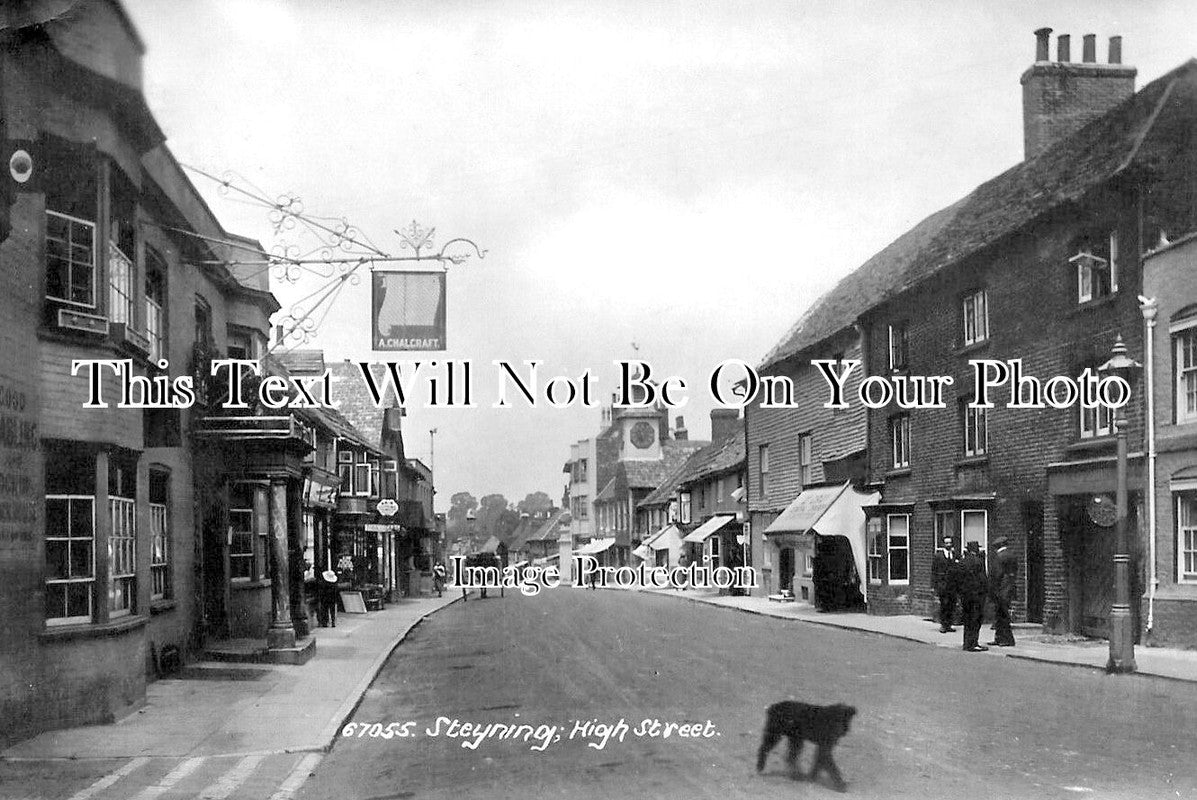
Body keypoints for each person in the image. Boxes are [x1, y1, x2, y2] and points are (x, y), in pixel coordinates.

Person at [959, 541, 989, 652]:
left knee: (967, 619)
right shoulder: (978, 562)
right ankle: (974, 643)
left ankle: (966, 643)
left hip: (965, 596)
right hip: (977, 595)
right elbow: (983, 579)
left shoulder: (962, 562)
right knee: (976, 619)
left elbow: (957, 578)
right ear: (976, 549)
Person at [988, 537, 1018, 647]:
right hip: (1009, 589)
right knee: (1002, 614)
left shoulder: (999, 557)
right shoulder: (1012, 555)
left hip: (1001, 590)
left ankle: (1007, 639)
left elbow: (996, 575)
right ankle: (999, 638)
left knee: (1002, 615)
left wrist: (992, 589)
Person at [931, 535, 959, 633]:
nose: (948, 545)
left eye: (950, 543)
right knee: (944, 605)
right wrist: (933, 586)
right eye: (946, 543)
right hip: (942, 584)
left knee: (952, 605)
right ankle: (943, 624)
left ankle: (949, 624)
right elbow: (933, 571)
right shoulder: (938, 556)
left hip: (953, 585)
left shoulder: (954, 554)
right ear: (943, 544)